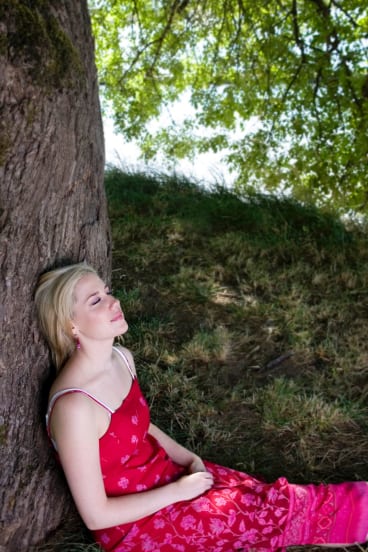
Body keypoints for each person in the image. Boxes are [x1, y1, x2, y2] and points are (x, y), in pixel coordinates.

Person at [35, 262, 368, 552]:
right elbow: (97, 515)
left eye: (107, 292)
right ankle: (359, 513)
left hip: (164, 476)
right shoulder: (74, 407)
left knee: (254, 494)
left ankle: (356, 516)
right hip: (134, 526)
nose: (114, 302)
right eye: (97, 301)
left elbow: (141, 427)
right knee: (264, 512)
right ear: (70, 325)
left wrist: (187, 458)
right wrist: (179, 492)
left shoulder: (122, 358)